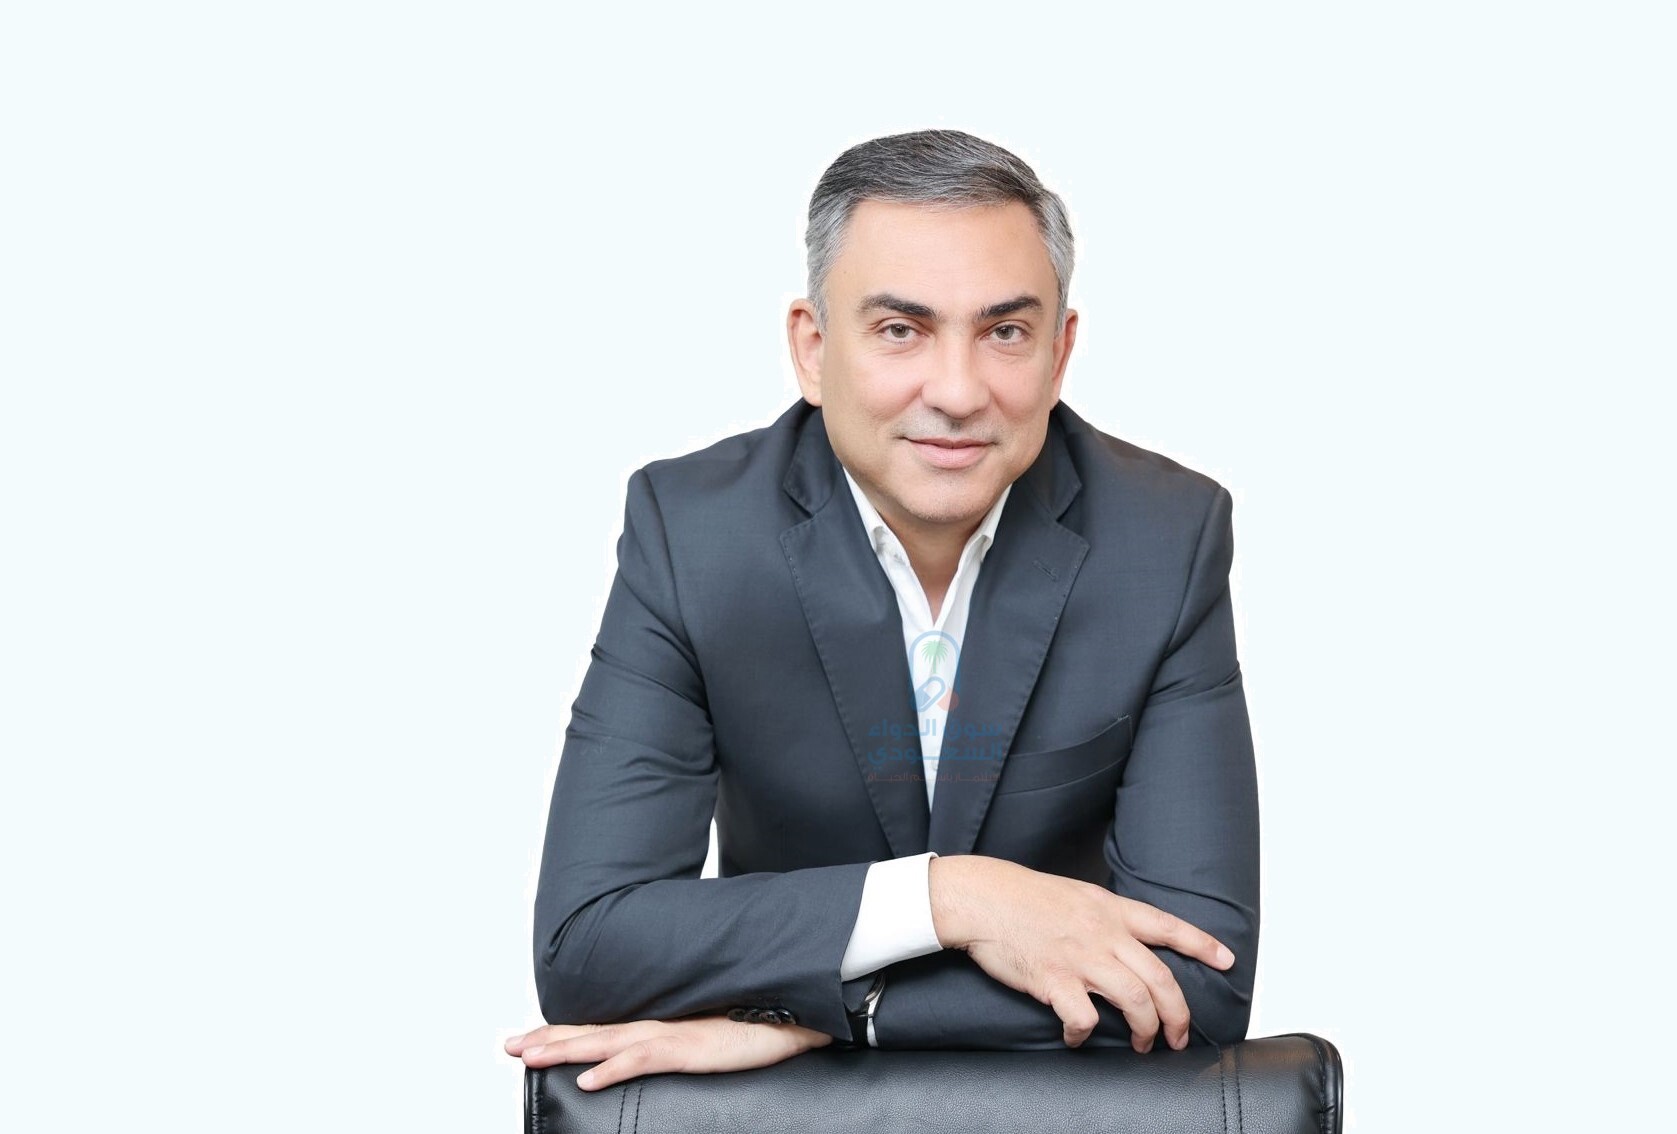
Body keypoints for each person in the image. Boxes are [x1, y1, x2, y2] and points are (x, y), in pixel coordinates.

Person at [504, 129, 1259, 1092]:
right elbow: (587, 947)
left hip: (1053, 1108)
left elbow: (1200, 979)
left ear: (1060, 352)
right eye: (901, 330)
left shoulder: (1163, 538)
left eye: (1005, 332)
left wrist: (820, 1015)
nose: (957, 392)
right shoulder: (695, 535)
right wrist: (956, 899)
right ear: (812, 349)